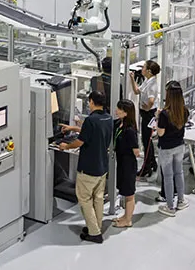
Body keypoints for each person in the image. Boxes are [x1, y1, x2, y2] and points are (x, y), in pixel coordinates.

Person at [58, 90, 113, 242]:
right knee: (98, 198)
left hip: (89, 168)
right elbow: (93, 132)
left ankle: (94, 233)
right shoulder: (108, 118)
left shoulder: (90, 120)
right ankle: (95, 225)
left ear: (91, 102)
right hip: (102, 166)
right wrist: (73, 128)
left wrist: (65, 146)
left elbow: (80, 142)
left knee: (84, 199)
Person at [156, 81, 189, 217]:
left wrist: (157, 119)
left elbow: (160, 133)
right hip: (179, 146)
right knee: (179, 173)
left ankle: (170, 206)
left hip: (166, 148)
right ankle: (181, 200)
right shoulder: (184, 110)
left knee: (168, 177)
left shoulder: (164, 114)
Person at [129, 60, 161, 178]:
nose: (141, 69)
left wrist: (147, 108)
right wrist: (132, 79)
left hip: (149, 115)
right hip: (146, 114)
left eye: (143, 67)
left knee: (146, 141)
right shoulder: (148, 81)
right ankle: (152, 163)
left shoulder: (152, 84)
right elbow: (137, 91)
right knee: (147, 140)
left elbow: (151, 100)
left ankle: (146, 168)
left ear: (148, 71)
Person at [112, 99, 139, 228]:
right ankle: (125, 216)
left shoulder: (130, 130)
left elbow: (136, 151)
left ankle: (128, 220)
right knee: (124, 190)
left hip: (129, 164)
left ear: (126, 113)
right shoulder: (118, 124)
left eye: (119, 109)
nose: (116, 111)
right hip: (121, 162)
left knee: (129, 194)